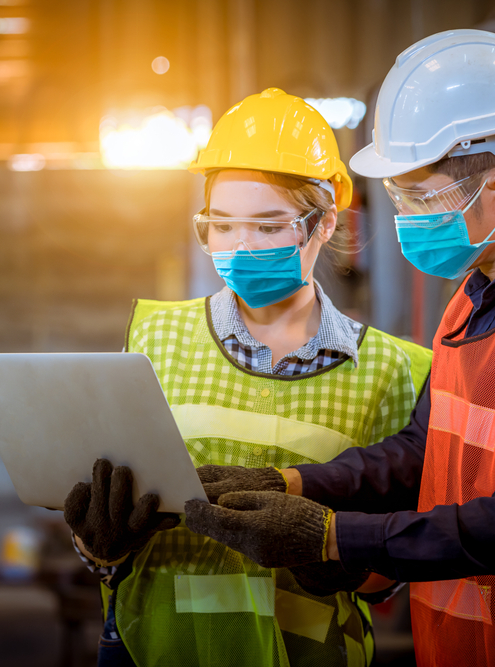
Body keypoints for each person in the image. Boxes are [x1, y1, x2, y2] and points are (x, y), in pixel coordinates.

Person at [183, 31, 495, 667]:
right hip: (469, 641)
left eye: (418, 198)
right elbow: (423, 452)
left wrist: (334, 537)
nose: (403, 219)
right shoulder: (475, 297)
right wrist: (289, 483)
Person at [62, 87, 432, 667]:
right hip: (154, 649)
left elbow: (389, 570)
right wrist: (98, 544)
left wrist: (322, 551)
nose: (240, 245)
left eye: (267, 226)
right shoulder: (155, 338)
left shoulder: (394, 371)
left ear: (324, 222)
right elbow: (110, 522)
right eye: (222, 225)